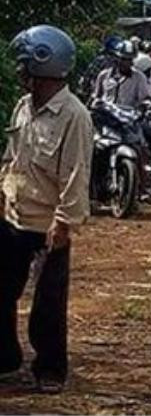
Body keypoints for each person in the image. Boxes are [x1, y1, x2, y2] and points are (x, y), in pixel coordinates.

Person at [1, 25, 92, 393]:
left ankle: (50, 369)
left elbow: (76, 173)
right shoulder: (23, 106)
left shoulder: (74, 115)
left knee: (48, 303)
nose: (19, 73)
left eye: (24, 65)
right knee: (2, 290)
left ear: (42, 64)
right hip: (12, 216)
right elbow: (12, 156)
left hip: (49, 223)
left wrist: (64, 224)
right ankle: (5, 359)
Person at [91, 41, 151, 109]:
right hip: (105, 115)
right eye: (123, 59)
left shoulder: (139, 78)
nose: (126, 63)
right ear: (117, 58)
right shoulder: (104, 75)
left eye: (129, 59)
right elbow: (97, 96)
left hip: (128, 116)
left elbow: (145, 99)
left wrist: (145, 104)